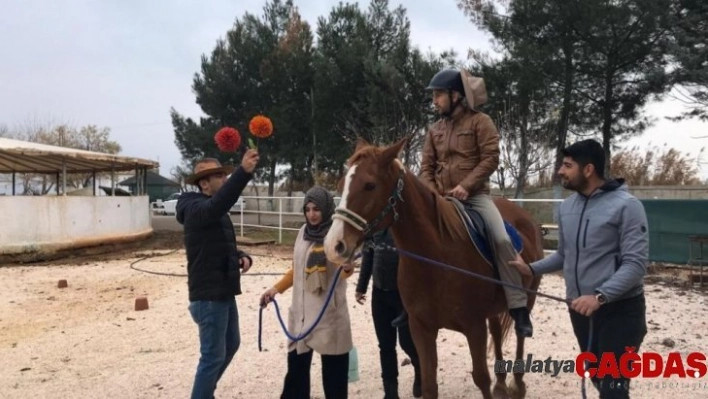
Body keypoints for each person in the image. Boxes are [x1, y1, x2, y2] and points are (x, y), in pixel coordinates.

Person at [510, 139, 649, 399]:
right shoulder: (567, 208)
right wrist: (530, 268)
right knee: (598, 376)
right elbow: (564, 255)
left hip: (620, 311)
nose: (560, 171)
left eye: (567, 165)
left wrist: (600, 296)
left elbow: (636, 264)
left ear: (588, 170)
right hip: (580, 310)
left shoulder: (628, 206)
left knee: (613, 386)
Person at [408, 67, 533, 338]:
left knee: (501, 240)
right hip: (441, 199)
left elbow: (491, 158)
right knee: (412, 237)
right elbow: (425, 167)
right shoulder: (435, 130)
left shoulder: (481, 122)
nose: (434, 101)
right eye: (434, 96)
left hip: (475, 198)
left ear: (456, 95)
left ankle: (517, 305)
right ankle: (409, 302)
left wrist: (466, 186)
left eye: (439, 95)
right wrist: (433, 194)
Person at [176, 150, 260, 399]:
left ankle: (205, 392)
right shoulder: (194, 207)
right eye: (220, 176)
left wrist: (240, 254)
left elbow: (219, 243)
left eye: (226, 175)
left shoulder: (213, 210)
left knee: (231, 345)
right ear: (204, 183)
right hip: (208, 297)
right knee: (212, 356)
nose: (225, 179)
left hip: (223, 291)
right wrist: (243, 173)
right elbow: (218, 204)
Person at [260, 186, 355, 399]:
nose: (312, 214)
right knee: (296, 375)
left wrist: (348, 267)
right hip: (302, 314)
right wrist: (275, 289)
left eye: (317, 209)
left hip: (328, 316)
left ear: (326, 209)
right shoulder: (303, 232)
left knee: (334, 380)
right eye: (308, 209)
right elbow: (297, 269)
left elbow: (344, 269)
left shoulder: (337, 235)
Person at [355, 228, 422, 399]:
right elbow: (368, 256)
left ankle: (420, 368)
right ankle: (390, 392)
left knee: (407, 341)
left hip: (402, 294)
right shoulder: (374, 227)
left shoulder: (404, 227)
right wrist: (361, 287)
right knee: (385, 345)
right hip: (379, 293)